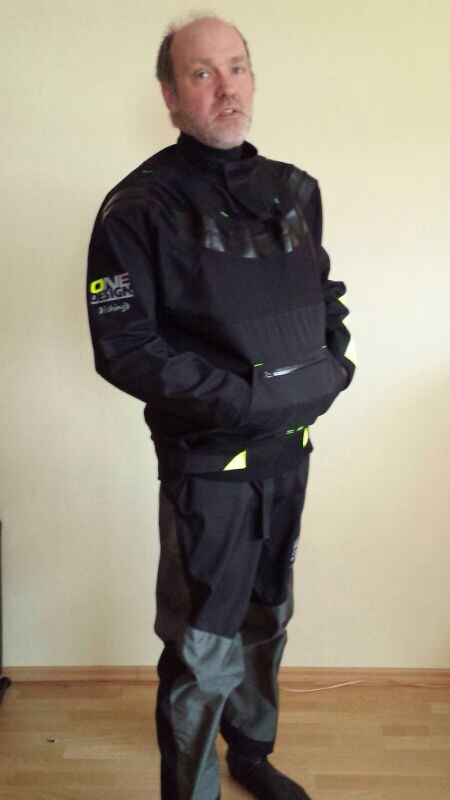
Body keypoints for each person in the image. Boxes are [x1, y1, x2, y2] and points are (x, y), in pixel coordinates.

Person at [87, 14, 355, 800]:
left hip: (289, 452)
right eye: (201, 73)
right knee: (203, 639)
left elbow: (324, 295)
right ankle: (191, 789)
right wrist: (243, 398)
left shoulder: (295, 191)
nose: (225, 87)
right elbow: (125, 345)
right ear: (171, 96)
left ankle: (252, 753)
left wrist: (333, 368)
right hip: (207, 468)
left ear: (253, 79)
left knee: (269, 615)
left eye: (236, 67)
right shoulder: (139, 207)